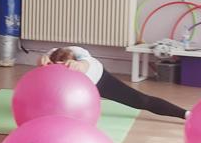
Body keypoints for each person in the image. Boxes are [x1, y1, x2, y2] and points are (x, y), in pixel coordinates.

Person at [39, 46, 186, 119]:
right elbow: (43, 58)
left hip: (99, 81)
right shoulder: (53, 55)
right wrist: (41, 60)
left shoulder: (81, 57)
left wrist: (78, 66)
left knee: (141, 100)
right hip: (73, 90)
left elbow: (84, 63)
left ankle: (185, 114)